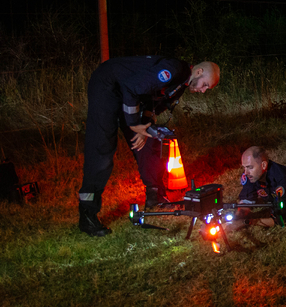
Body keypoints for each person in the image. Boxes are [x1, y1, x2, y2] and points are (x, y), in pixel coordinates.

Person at [77, 57, 220, 237]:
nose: (203, 91)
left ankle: (155, 197)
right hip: (107, 84)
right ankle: (87, 215)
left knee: (151, 141)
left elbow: (152, 101)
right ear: (199, 72)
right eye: (205, 85)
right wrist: (133, 124)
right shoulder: (173, 70)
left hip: (128, 94)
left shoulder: (181, 83)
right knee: (102, 146)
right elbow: (131, 87)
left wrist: (144, 125)